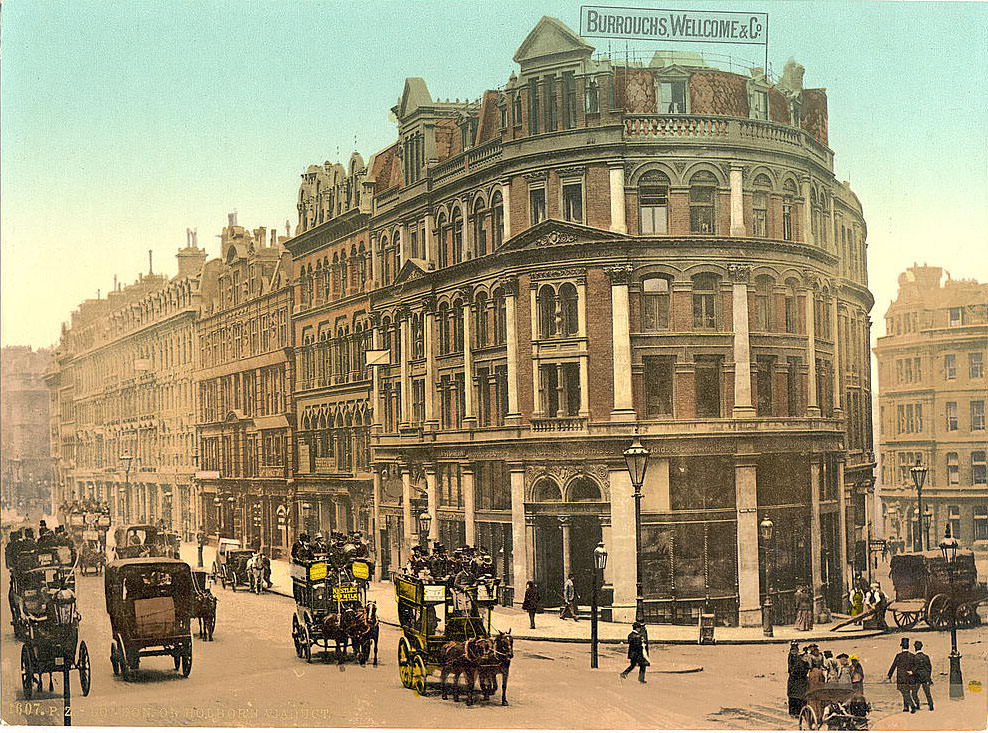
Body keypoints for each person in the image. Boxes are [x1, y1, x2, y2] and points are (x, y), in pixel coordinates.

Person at [887, 637, 919, 713]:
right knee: (907, 691)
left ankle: (911, 705)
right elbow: (916, 666)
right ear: (908, 646)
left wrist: (889, 675)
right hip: (910, 677)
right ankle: (906, 707)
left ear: (901, 646)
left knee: (904, 692)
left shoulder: (899, 656)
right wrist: (913, 672)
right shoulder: (912, 656)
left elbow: (893, 666)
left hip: (901, 677)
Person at [787, 641, 810, 717]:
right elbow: (795, 668)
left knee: (797, 696)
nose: (795, 651)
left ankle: (797, 712)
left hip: (797, 680)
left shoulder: (795, 657)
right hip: (796, 680)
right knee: (796, 697)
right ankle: (795, 712)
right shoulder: (793, 657)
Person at [913, 640, 934, 711]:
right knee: (927, 692)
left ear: (915, 648)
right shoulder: (926, 657)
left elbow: (914, 668)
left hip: (918, 677)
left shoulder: (915, 657)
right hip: (925, 677)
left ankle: (917, 704)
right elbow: (929, 668)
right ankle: (931, 705)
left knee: (914, 692)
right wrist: (929, 677)